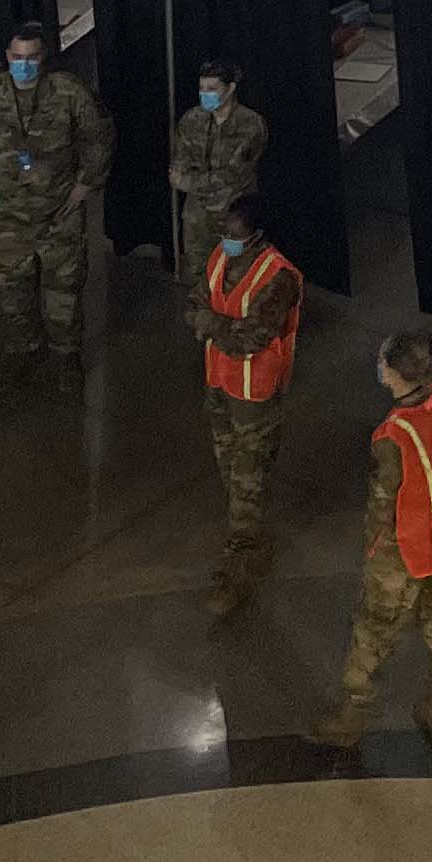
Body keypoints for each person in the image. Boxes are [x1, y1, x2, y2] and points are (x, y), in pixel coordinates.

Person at [303, 332, 432, 749]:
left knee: (374, 630)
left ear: (393, 373)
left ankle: (353, 714)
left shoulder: (391, 434)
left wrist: (374, 549)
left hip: (407, 546)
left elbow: (384, 504)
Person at [0, 21, 114, 382]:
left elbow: (99, 136)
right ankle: (26, 348)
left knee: (63, 293)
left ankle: (66, 357)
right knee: (12, 293)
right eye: (18, 58)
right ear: (7, 57)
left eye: (32, 58)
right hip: (7, 218)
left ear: (43, 57)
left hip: (59, 214)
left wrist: (86, 184)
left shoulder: (67, 92)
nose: (25, 65)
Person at [182, 190, 300, 615]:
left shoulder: (277, 277)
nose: (226, 243)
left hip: (255, 394)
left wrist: (210, 325)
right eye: (225, 235)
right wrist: (218, 326)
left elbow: (253, 338)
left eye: (235, 237)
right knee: (230, 468)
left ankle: (238, 564)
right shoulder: (219, 259)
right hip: (219, 384)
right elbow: (194, 301)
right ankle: (247, 535)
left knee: (248, 477)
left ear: (257, 237)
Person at [168, 59, 268, 266]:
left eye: (212, 89)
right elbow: (180, 158)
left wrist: (187, 182)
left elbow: (232, 173)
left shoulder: (250, 124)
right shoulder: (192, 119)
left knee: (235, 274)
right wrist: (180, 174)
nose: (205, 94)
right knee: (197, 273)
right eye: (202, 88)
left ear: (230, 88)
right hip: (197, 217)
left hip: (234, 216)